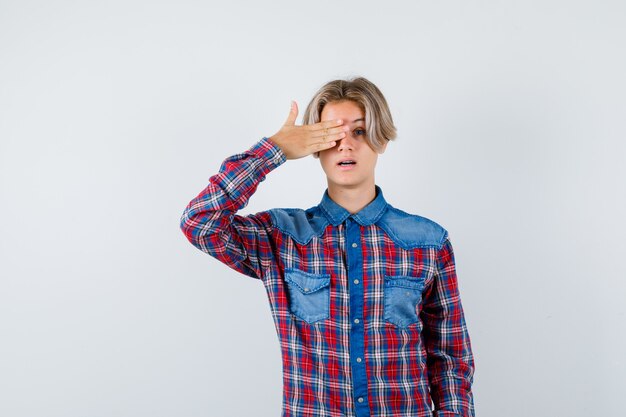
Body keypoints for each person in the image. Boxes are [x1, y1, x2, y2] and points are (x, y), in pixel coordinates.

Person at [179, 76, 475, 417]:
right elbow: (199, 222)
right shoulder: (280, 237)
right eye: (332, 133)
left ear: (381, 140)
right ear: (314, 145)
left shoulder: (428, 241)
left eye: (360, 131)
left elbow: (450, 358)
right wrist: (273, 150)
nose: (345, 145)